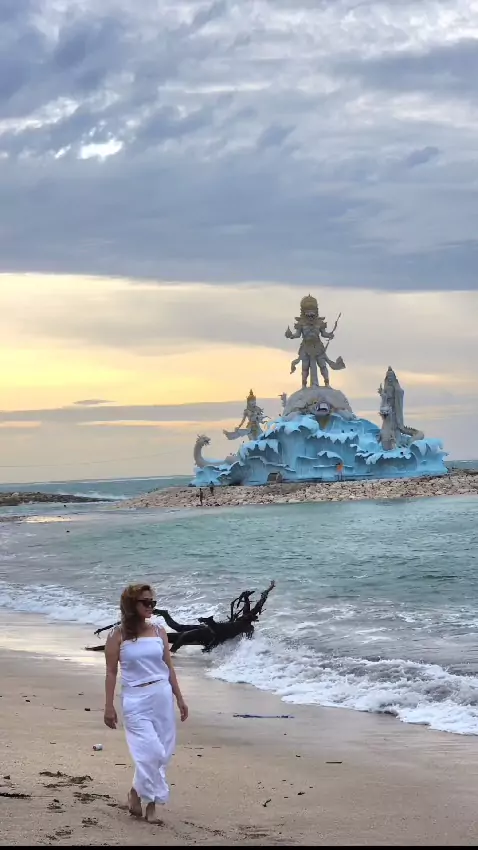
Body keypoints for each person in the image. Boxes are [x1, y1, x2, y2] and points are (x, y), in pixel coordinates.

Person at [104, 584, 188, 824]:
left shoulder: (159, 630)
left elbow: (168, 667)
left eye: (153, 602)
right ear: (132, 604)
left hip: (162, 695)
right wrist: (108, 706)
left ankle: (147, 801)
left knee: (163, 752)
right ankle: (148, 795)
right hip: (135, 699)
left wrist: (180, 698)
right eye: (145, 602)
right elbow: (111, 672)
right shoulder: (117, 635)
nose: (151, 606)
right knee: (152, 751)